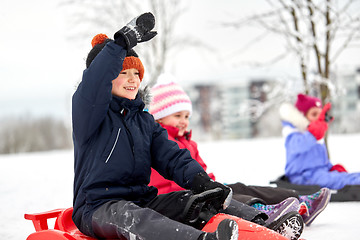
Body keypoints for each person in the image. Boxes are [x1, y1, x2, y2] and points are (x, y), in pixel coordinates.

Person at [71, 12, 282, 240]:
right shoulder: (90, 114)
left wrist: (202, 182)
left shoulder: (143, 121)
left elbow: (171, 156)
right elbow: (94, 83)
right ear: (106, 78)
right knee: (133, 217)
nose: (133, 79)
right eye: (123, 73)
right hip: (98, 207)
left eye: (136, 73)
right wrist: (120, 44)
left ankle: (264, 226)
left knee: (197, 202)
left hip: (142, 199)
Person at [148, 76, 330, 227]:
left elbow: (200, 170)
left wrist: (211, 183)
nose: (184, 121)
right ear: (159, 118)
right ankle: (263, 212)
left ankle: (298, 201)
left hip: (200, 190)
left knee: (239, 187)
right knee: (227, 198)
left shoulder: (188, 142)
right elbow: (164, 183)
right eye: (177, 116)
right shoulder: (159, 144)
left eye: (187, 116)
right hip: (179, 199)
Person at [279, 93, 360, 191]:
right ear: (302, 116)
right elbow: (298, 146)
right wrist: (313, 133)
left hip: (319, 174)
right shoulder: (294, 134)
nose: (318, 118)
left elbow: (320, 160)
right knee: (341, 180)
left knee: (345, 176)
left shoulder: (316, 135)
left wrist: (331, 168)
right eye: (314, 114)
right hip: (303, 177)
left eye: (319, 114)